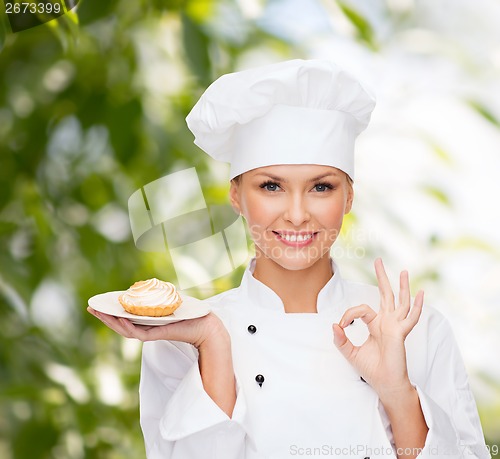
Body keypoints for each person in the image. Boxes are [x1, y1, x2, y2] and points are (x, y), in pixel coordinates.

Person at [87, 59, 490, 459]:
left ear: (349, 196)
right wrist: (214, 343)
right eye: (271, 186)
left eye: (320, 187)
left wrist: (397, 393)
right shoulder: (183, 340)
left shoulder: (417, 332)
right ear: (236, 196)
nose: (297, 214)